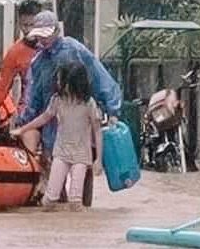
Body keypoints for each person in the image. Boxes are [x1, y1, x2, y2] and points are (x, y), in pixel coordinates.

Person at [17, 10, 122, 156]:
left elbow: (100, 78)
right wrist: (24, 122)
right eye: (40, 35)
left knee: (82, 168)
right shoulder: (39, 61)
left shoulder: (74, 49)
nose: (43, 38)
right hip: (53, 132)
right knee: (55, 170)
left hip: (80, 124)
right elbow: (34, 96)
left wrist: (112, 111)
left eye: (47, 33)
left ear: (57, 31)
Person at [11, 61, 103, 211]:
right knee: (49, 200)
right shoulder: (57, 100)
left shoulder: (88, 104)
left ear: (73, 82)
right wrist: (22, 130)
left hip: (81, 155)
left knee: (75, 201)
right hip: (61, 152)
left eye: (61, 80)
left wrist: (98, 159)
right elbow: (44, 118)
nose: (58, 83)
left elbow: (97, 131)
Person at [0, 0, 43, 112]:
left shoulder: (54, 47)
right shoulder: (15, 52)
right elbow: (2, 87)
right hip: (29, 110)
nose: (28, 30)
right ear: (19, 24)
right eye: (24, 25)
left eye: (32, 25)